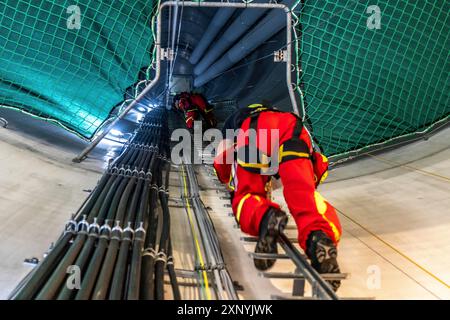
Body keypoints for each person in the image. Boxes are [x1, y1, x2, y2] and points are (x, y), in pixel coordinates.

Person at [213, 103, 342, 291]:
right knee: (303, 195)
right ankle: (318, 236)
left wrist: (230, 180)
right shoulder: (280, 111)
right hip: (293, 127)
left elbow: (221, 161)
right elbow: (319, 165)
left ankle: (265, 216)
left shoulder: (234, 121)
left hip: (256, 129)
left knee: (246, 196)